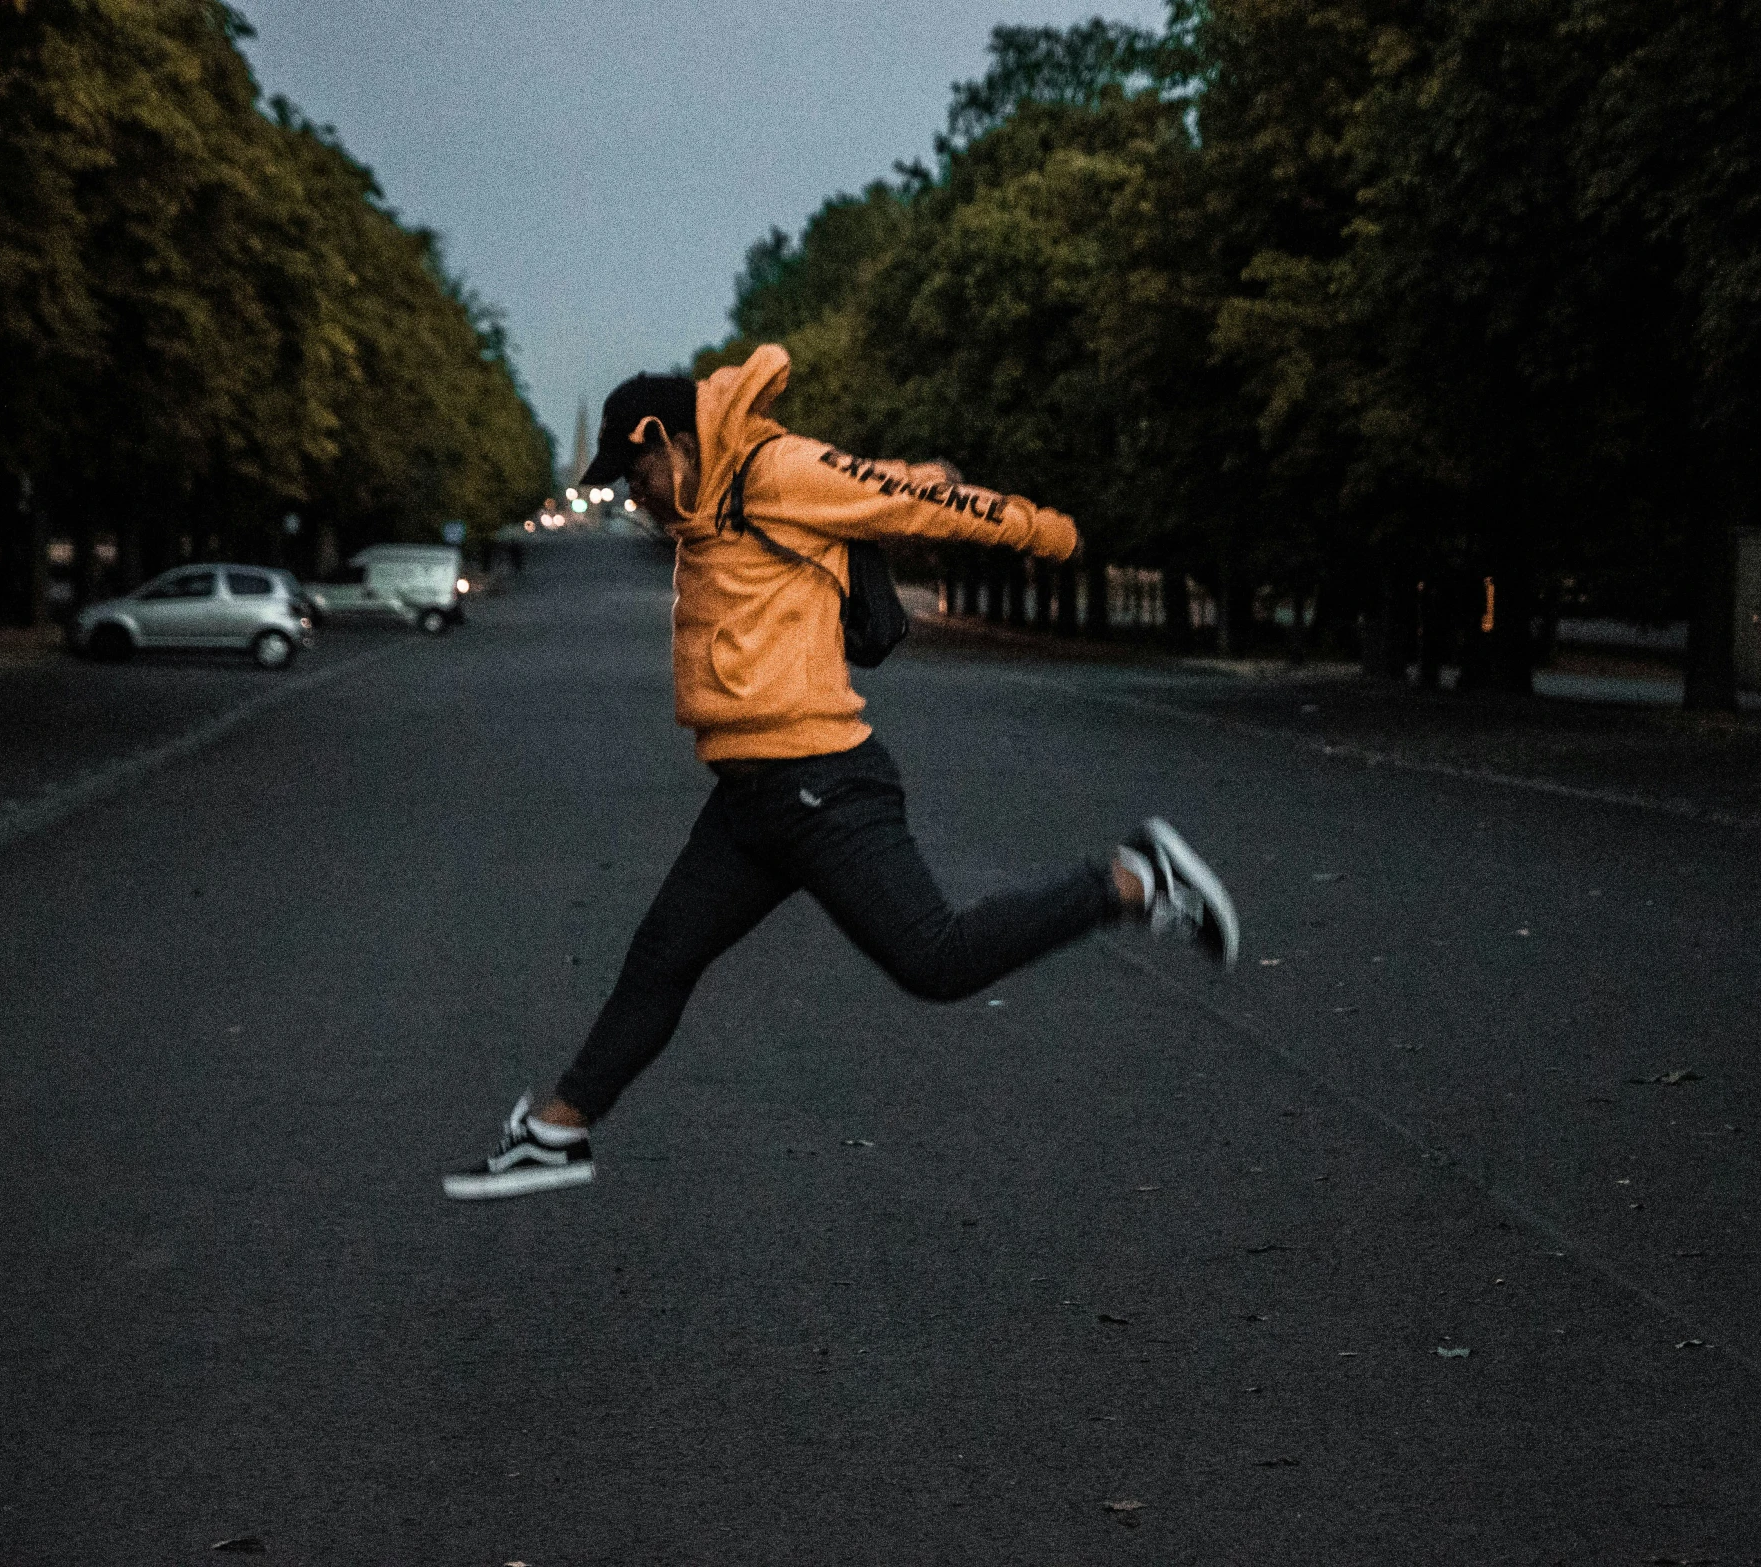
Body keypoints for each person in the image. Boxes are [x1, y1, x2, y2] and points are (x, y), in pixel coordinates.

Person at [443, 345, 1237, 1200]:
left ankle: (1131, 879)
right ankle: (558, 1131)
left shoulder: (777, 469)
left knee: (939, 959)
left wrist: (1038, 528)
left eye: (634, 471)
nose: (630, 493)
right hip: (754, 795)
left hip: (819, 778)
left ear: (666, 439)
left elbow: (910, 495)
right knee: (660, 958)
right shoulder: (704, 510)